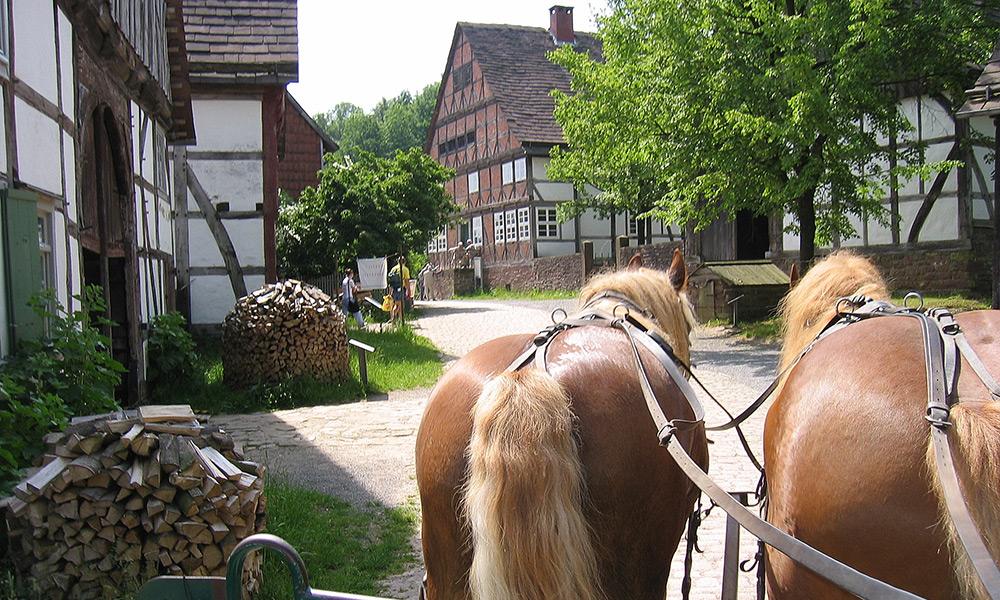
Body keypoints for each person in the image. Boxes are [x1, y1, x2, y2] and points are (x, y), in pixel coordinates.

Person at [387, 258, 410, 322]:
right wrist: (408, 291)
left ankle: (401, 320)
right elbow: (407, 281)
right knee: (399, 305)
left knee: (399, 304)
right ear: (404, 262)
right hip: (400, 289)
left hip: (394, 289)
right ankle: (393, 318)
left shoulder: (393, 269)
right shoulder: (405, 269)